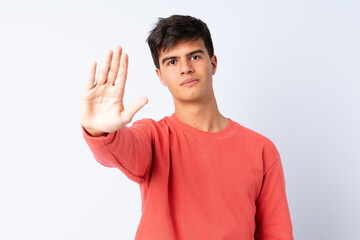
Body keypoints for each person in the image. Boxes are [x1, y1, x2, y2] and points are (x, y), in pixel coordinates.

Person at [80, 15, 294, 240]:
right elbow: (121, 149)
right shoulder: (152, 138)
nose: (185, 68)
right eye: (172, 61)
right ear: (160, 76)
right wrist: (100, 131)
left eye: (194, 56)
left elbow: (276, 233)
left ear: (213, 63)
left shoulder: (261, 149)